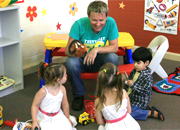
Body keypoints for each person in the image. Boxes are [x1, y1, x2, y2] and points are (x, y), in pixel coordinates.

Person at [65, 0, 119, 111]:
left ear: (106, 17)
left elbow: (114, 47)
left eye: (101, 20)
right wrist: (76, 50)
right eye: (94, 20)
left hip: (98, 61)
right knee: (70, 62)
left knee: (113, 57)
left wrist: (96, 49)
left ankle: (106, 93)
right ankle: (78, 95)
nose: (98, 24)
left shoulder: (111, 23)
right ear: (88, 17)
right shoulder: (79, 25)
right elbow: (67, 52)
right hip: (82, 61)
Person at [94, 62, 141, 130]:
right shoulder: (124, 92)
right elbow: (129, 111)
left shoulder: (98, 101)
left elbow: (100, 122)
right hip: (130, 126)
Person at [31, 62, 77, 130]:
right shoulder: (43, 91)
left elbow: (65, 104)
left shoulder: (62, 89)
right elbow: (34, 105)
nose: (66, 75)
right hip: (44, 117)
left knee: (68, 127)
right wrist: (34, 121)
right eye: (65, 75)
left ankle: (70, 118)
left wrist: (67, 117)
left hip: (58, 115)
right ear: (58, 80)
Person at [126, 47, 165, 121]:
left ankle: (150, 112)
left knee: (128, 114)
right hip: (130, 98)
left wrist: (133, 85)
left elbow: (144, 91)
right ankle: (140, 110)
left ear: (146, 63)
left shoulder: (148, 77)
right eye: (134, 62)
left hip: (139, 101)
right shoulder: (134, 71)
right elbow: (130, 81)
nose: (135, 65)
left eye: (138, 63)